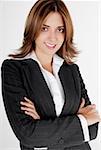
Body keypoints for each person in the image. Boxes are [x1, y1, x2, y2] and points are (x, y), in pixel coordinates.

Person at [1, 0, 101, 150]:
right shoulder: (14, 69)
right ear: (33, 28)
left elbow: (93, 128)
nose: (53, 38)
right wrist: (80, 120)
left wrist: (44, 124)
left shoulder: (71, 70)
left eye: (60, 29)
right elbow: (28, 134)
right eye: (45, 28)